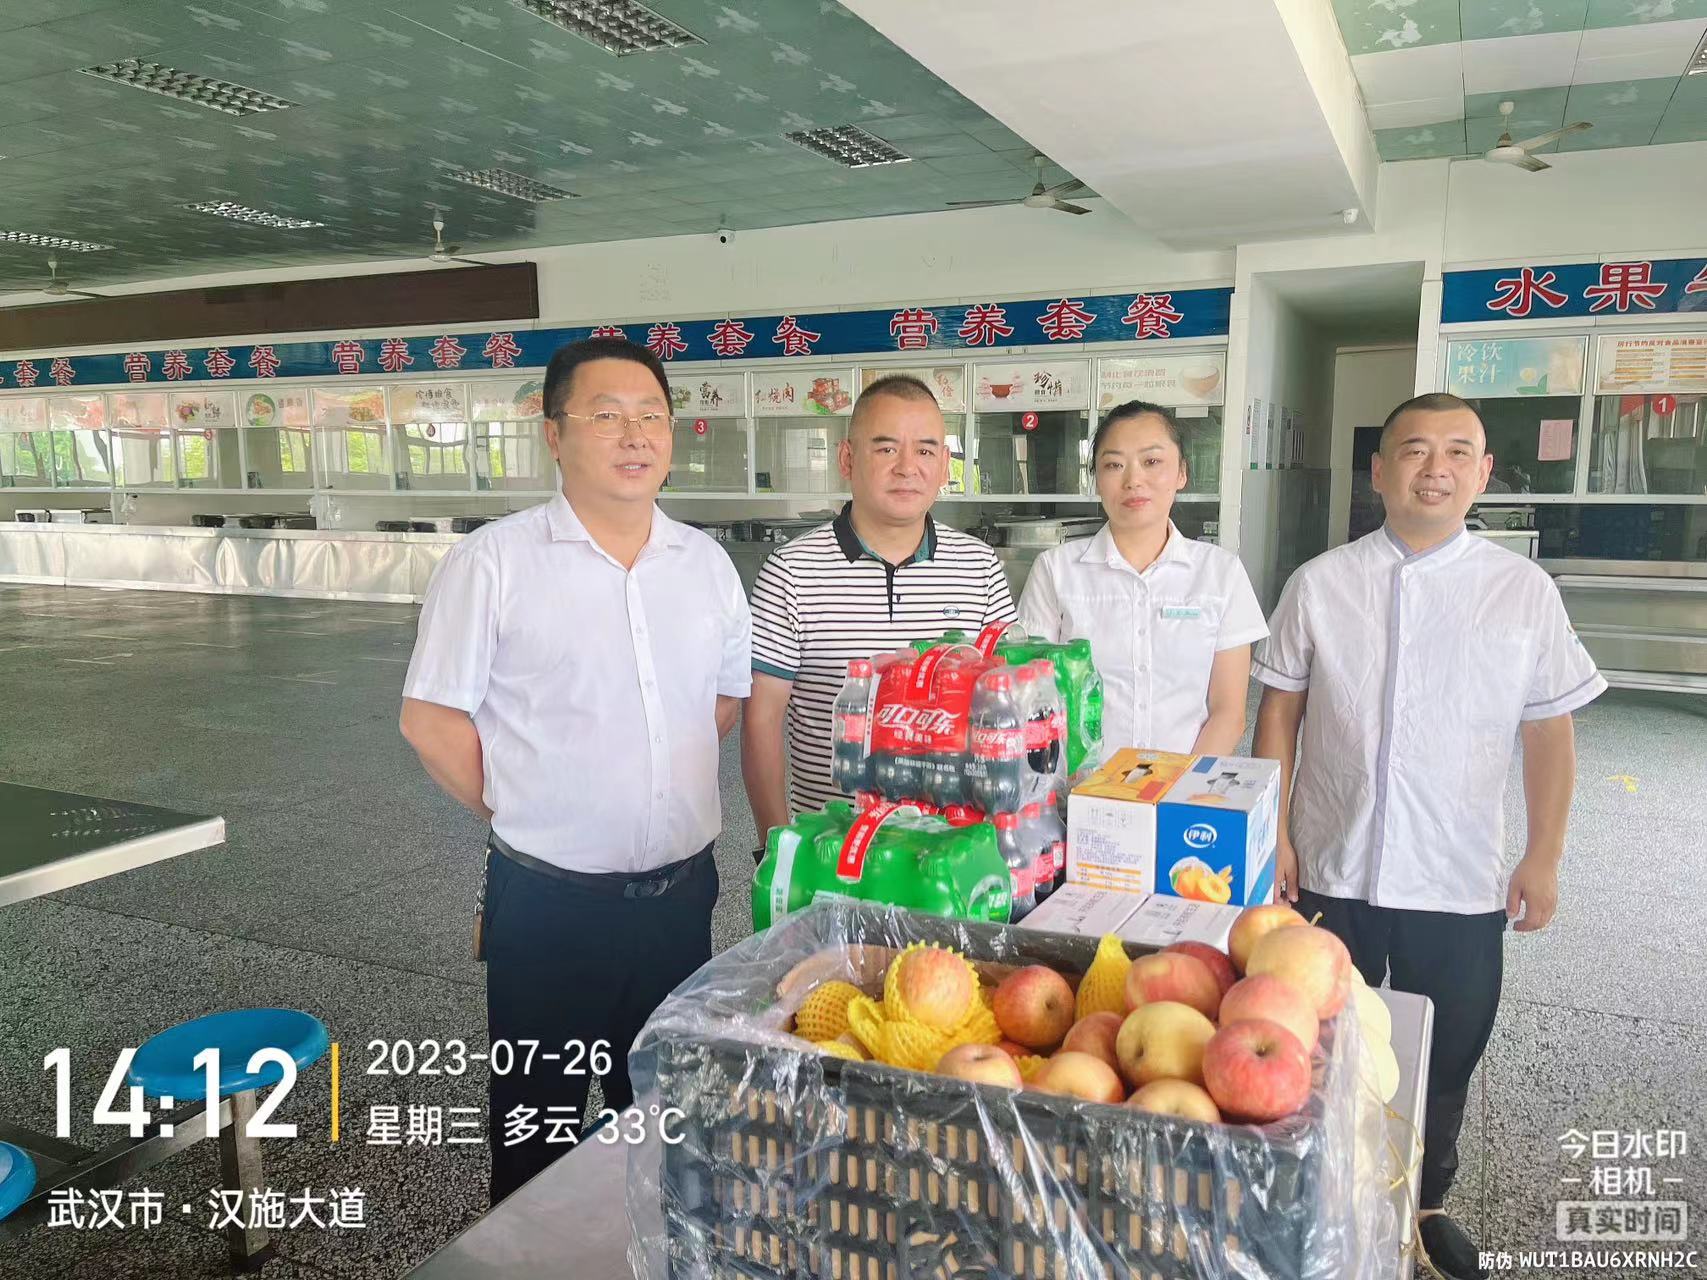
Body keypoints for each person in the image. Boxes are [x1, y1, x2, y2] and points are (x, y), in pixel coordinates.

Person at [1252, 392, 1604, 1280]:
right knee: (1310, 1037)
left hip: (1457, 875)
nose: (1433, 468)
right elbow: (1279, 713)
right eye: (1412, 450)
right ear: (1378, 471)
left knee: (1448, 1052)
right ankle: (1313, 1183)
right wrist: (1273, 833)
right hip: (1329, 863)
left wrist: (1544, 854)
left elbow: (1548, 730)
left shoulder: (1521, 591)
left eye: (1456, 451)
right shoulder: (1319, 583)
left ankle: (1425, 1200)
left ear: (1483, 474)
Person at [399, 337, 751, 1203]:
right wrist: (525, 803)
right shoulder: (495, 562)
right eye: (605, 416)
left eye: (651, 416)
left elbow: (721, 702)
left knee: (666, 1126)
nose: (634, 436)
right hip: (549, 907)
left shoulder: (704, 565)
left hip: (680, 901)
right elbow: (430, 719)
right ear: (554, 435)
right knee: (538, 1133)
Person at [743, 374, 1016, 846]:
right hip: (833, 851)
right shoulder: (791, 570)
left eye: (925, 451)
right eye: (886, 448)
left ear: (944, 465)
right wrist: (777, 848)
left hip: (954, 851)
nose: (907, 467)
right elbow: (761, 720)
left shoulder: (979, 565)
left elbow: (1005, 705)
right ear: (847, 459)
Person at [1018, 400, 1266, 758]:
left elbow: (1228, 713)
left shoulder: (1220, 573)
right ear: (1096, 480)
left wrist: (1180, 788)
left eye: (1152, 462)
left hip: (1182, 784)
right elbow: (1033, 698)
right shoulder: (1055, 571)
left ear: (1181, 473)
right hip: (1080, 787)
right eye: (1114, 465)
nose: (1133, 480)